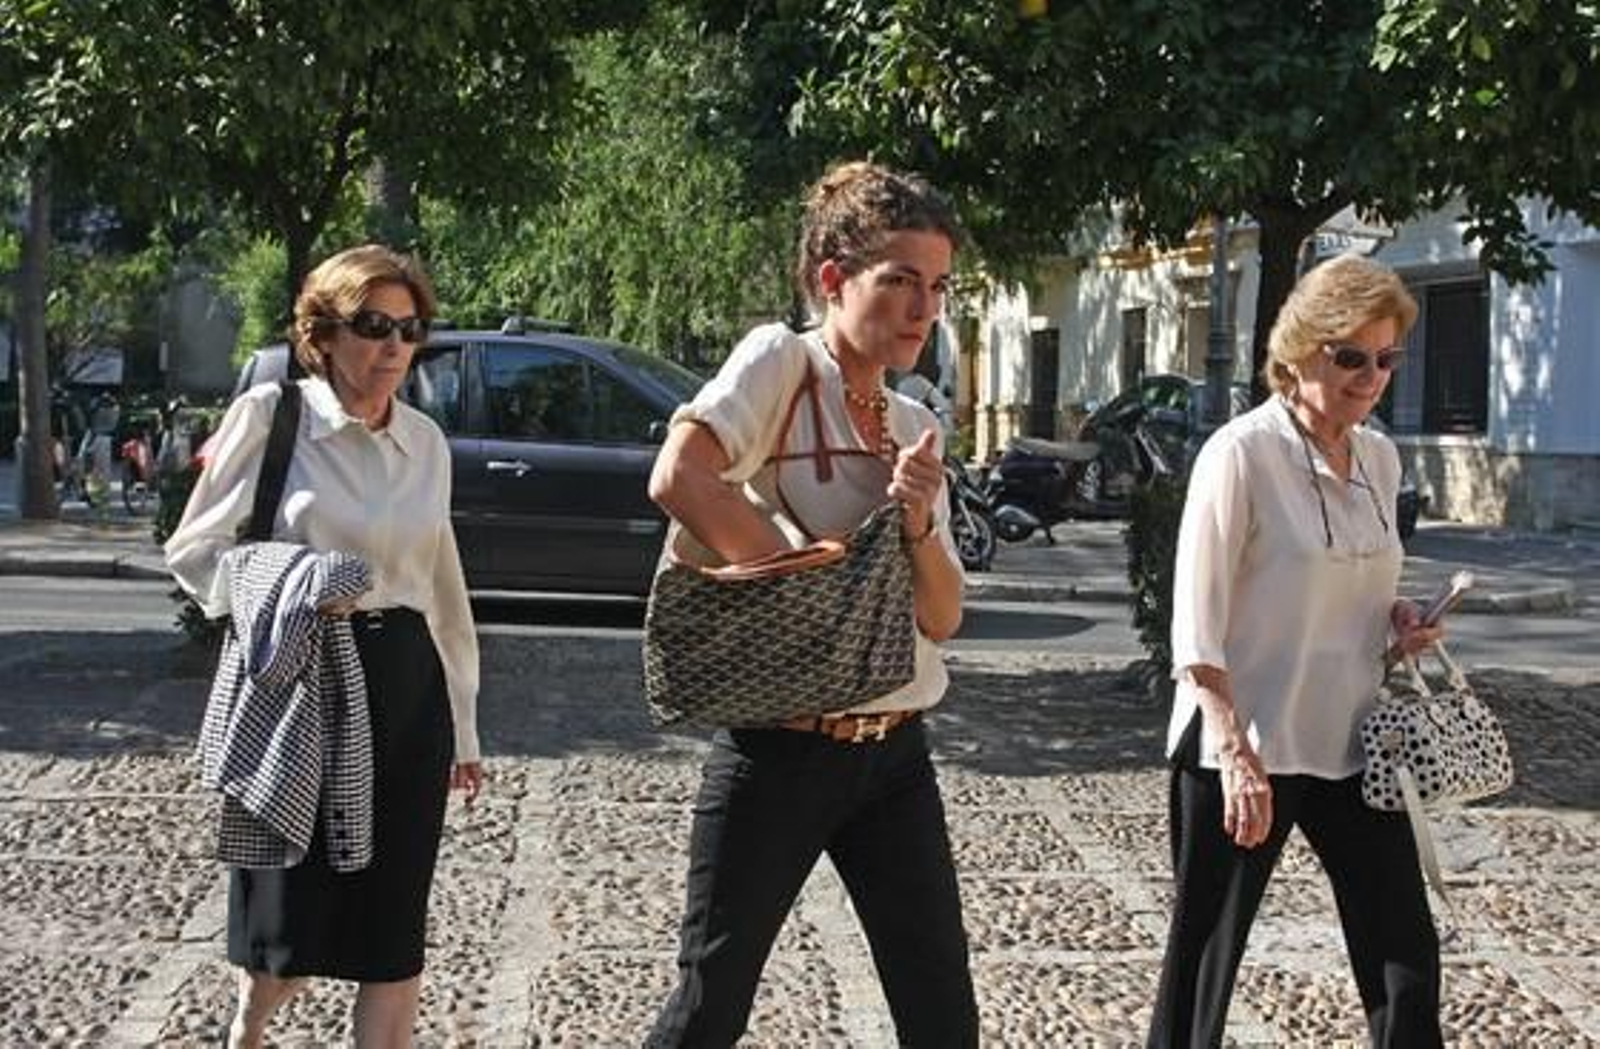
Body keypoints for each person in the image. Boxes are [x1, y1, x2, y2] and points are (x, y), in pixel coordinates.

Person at [644, 161, 979, 1047]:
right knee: (708, 1009)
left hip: (894, 752)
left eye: (938, 287)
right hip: (780, 750)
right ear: (833, 279)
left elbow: (942, 618)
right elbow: (680, 476)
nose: (923, 309)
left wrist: (918, 520)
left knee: (944, 1017)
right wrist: (802, 588)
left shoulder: (913, 426)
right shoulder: (782, 362)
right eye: (900, 280)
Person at [165, 244, 482, 1049]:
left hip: (405, 692)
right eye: (372, 325)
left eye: (409, 329)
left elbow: (441, 587)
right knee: (287, 927)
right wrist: (290, 583)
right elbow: (195, 551)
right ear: (324, 333)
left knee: (392, 931)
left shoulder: (426, 442)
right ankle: (249, 1025)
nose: (393, 346)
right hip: (302, 687)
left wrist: (464, 724)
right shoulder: (274, 417)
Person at [1147, 253, 1445, 1047]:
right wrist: (1233, 751)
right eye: (1350, 357)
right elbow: (1196, 622)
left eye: (1386, 358)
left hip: (1354, 744)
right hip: (1247, 744)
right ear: (1298, 351)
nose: (1371, 378)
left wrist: (1399, 621)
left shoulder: (1379, 457)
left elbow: (1355, 584)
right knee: (1203, 970)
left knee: (1406, 955)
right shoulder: (1240, 454)